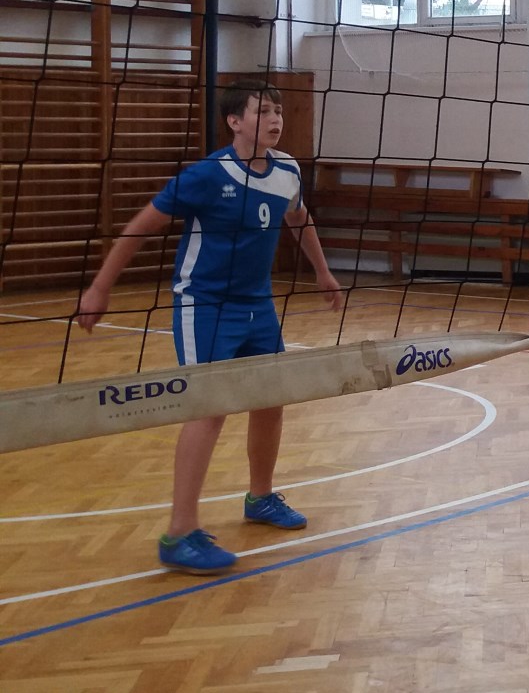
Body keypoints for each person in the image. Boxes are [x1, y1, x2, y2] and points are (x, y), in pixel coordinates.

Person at [76, 77, 344, 575]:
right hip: (205, 306)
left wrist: (322, 271)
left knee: (271, 400)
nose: (275, 119)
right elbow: (139, 227)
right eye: (263, 111)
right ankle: (179, 533)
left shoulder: (287, 169)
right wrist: (100, 288)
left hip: (258, 304)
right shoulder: (206, 175)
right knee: (208, 409)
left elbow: (299, 218)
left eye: (278, 111)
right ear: (235, 121)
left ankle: (260, 498)